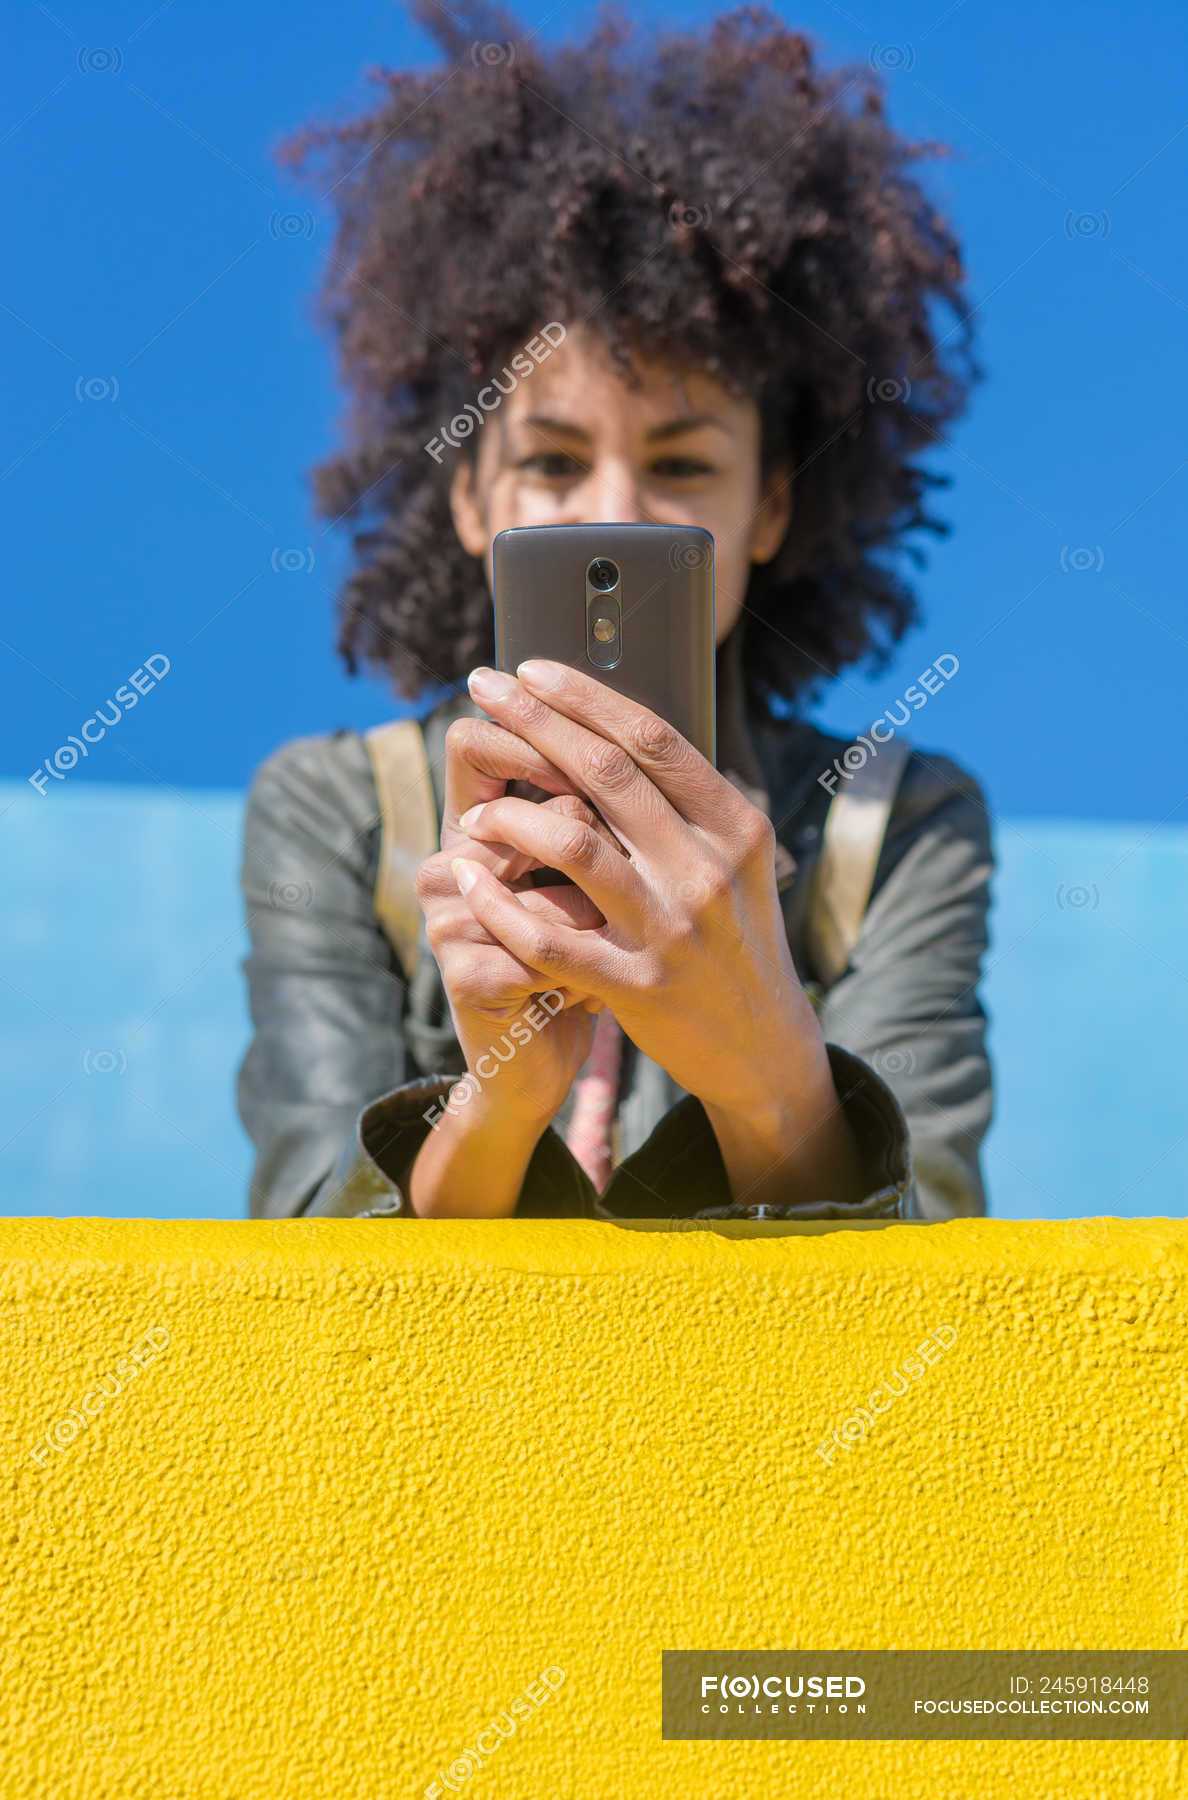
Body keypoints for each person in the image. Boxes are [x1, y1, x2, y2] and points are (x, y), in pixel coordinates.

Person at [237, 2, 994, 1223]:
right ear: (472, 494)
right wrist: (497, 1095)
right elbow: (306, 1278)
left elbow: (938, 1262)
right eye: (550, 463)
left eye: (685, 466)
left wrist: (769, 1072)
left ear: (770, 508)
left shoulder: (894, 826)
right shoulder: (334, 813)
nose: (617, 515)